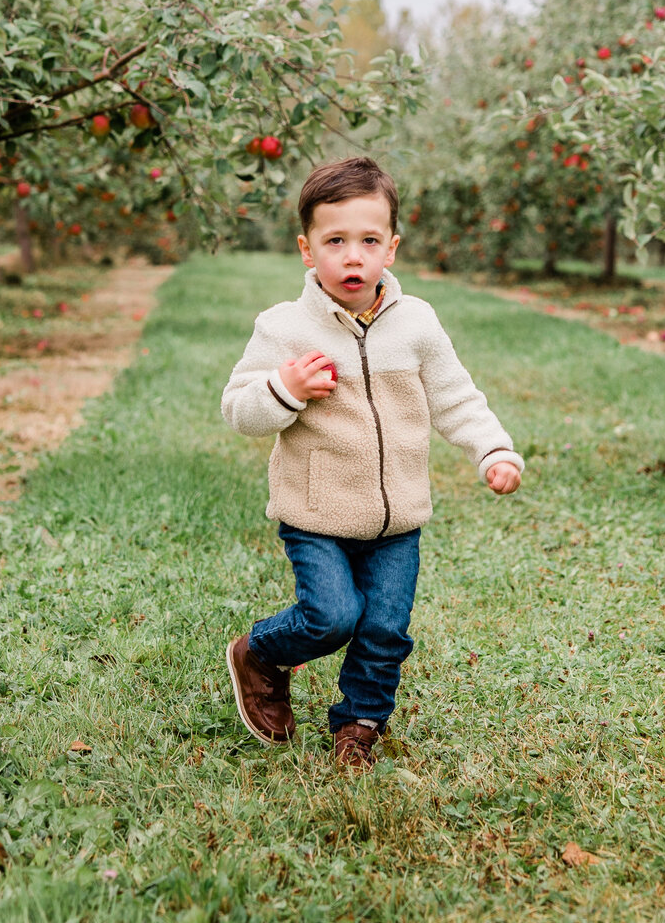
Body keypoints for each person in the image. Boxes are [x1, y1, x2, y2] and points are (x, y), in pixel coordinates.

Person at [219, 155, 522, 769]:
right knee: (331, 617)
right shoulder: (282, 329)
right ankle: (258, 651)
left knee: (384, 630)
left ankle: (359, 725)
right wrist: (286, 389)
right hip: (317, 513)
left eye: (368, 241)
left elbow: (455, 396)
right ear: (307, 250)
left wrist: (492, 449)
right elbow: (239, 410)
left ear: (392, 248)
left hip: (397, 518)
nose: (352, 257)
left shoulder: (416, 323)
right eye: (335, 241)